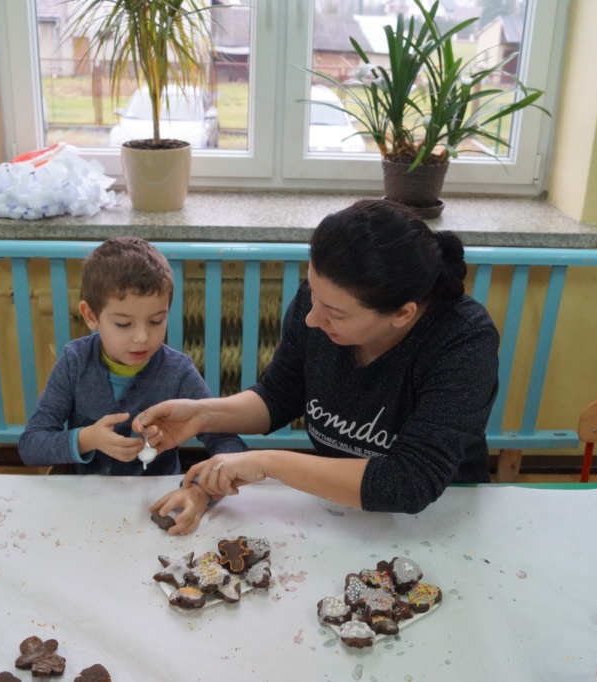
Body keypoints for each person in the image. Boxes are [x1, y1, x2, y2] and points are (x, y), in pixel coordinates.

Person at [135, 199, 500, 514]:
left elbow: (408, 483)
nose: (312, 319)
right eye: (312, 294)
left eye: (336, 314)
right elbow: (278, 395)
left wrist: (267, 463)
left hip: (443, 511)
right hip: (342, 503)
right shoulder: (321, 305)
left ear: (402, 314)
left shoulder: (463, 341)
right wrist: (202, 415)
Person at [18, 236, 246, 533]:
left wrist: (201, 491)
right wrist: (87, 438)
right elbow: (31, 446)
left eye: (156, 321)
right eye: (123, 324)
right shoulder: (75, 362)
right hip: (85, 503)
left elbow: (230, 447)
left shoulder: (177, 371)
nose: (142, 338)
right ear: (91, 316)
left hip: (158, 501)